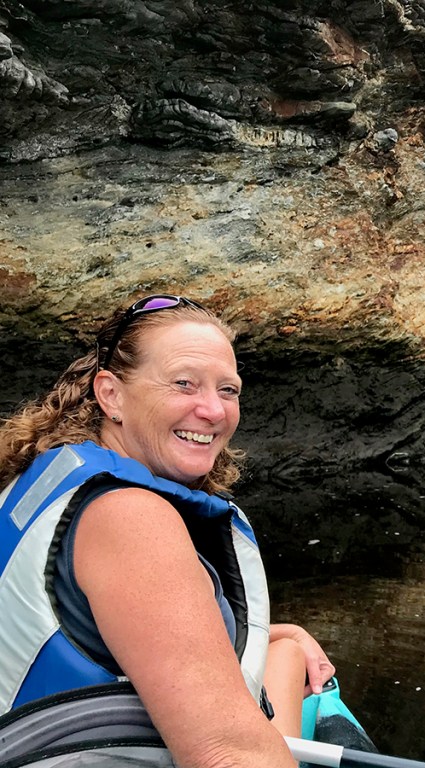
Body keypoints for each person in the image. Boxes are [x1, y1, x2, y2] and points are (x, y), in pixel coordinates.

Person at [0, 295, 332, 768]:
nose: (213, 411)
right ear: (110, 394)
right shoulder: (130, 519)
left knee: (285, 653)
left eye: (228, 390)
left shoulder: (39, 476)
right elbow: (226, 755)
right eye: (184, 384)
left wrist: (280, 637)